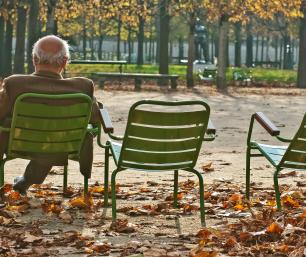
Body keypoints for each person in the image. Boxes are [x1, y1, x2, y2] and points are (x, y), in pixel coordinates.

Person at [0, 35, 100, 195]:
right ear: (65, 61)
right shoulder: (82, 87)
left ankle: (24, 181)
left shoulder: (15, 84)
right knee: (53, 135)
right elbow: (95, 119)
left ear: (34, 59)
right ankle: (26, 181)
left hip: (17, 144)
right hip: (62, 146)